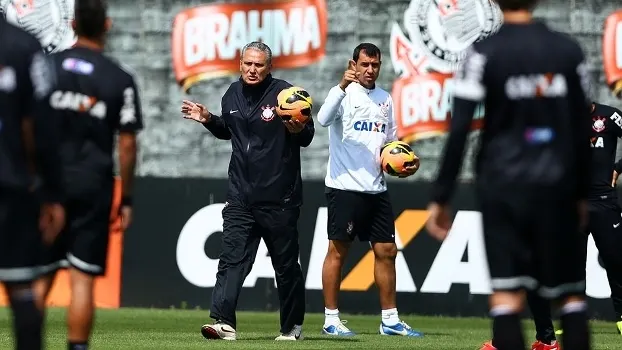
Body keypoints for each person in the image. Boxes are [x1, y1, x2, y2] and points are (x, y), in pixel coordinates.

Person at [425, 0, 593, 349]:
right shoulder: (569, 51)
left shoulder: (483, 53)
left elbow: (459, 130)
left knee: (507, 297)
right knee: (571, 298)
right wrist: (581, 193)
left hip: (503, 189)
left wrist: (441, 197)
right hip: (558, 187)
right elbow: (581, 129)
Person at [181, 41, 314, 341]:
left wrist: (298, 129)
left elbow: (307, 133)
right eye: (248, 64)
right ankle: (223, 323)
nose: (252, 69)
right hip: (241, 195)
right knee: (231, 259)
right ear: (240, 64)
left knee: (285, 266)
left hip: (280, 198)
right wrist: (208, 120)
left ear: (270, 67)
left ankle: (291, 327)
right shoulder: (231, 93)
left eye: (259, 65)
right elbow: (229, 130)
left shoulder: (285, 93)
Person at [33, 1, 143, 349]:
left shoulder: (46, 67)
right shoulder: (119, 78)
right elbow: (126, 146)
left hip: (47, 185)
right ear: (107, 25)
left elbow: (25, 125)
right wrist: (125, 197)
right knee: (82, 280)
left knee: (41, 274)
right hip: (92, 184)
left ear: (74, 23)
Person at [315, 43, 421, 337]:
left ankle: (389, 320)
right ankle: (331, 320)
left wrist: (404, 162)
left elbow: (391, 144)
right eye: (365, 64)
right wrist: (341, 85)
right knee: (337, 252)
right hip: (344, 187)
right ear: (354, 64)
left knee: (387, 251)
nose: (370, 70)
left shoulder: (385, 98)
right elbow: (322, 120)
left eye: (375, 65)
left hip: (376, 189)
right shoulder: (343, 94)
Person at [0, 15, 65, 350]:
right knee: (21, 289)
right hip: (11, 184)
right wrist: (51, 192)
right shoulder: (25, 46)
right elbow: (38, 128)